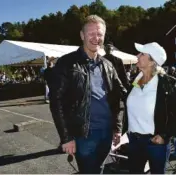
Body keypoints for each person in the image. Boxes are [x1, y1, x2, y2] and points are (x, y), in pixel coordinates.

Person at [49, 15, 126, 174]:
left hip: (106, 133)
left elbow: (118, 97)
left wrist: (117, 128)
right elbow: (56, 102)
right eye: (91, 33)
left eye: (99, 34)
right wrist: (66, 137)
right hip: (83, 135)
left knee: (99, 169)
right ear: (82, 35)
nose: (95, 38)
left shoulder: (108, 65)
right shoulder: (67, 63)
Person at [124, 42, 176, 174]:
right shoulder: (134, 81)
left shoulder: (167, 83)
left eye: (142, 54)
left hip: (155, 143)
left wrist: (165, 135)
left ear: (152, 61)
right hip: (134, 141)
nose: (137, 55)